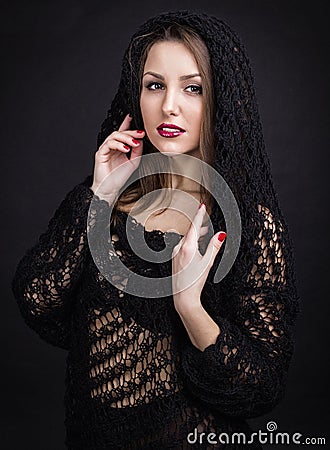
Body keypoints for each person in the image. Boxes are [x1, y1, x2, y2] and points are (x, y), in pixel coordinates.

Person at [11, 10, 300, 450]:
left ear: (219, 99)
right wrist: (99, 195)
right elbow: (39, 304)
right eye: (154, 85)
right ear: (136, 95)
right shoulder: (104, 203)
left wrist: (190, 307)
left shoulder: (252, 224)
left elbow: (259, 389)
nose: (169, 105)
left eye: (193, 88)